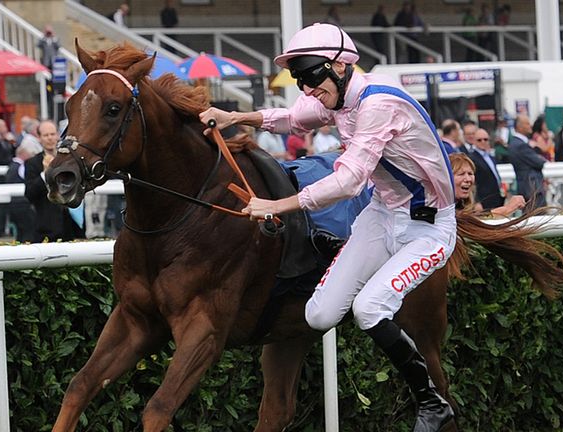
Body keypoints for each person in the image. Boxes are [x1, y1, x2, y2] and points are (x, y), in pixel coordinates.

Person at [199, 23, 457, 431]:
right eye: (299, 79)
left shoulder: (377, 104)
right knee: (318, 315)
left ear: (339, 66)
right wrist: (234, 115)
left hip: (429, 230)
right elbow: (291, 118)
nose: (306, 88)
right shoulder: (338, 96)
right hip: (381, 216)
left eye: (310, 76)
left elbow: (349, 181)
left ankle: (432, 403)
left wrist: (277, 206)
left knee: (368, 308)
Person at [25, 120, 85, 242]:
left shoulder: (70, 160)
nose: (50, 138)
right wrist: (45, 174)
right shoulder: (32, 163)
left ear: (58, 135)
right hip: (46, 229)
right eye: (46, 135)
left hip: (72, 227)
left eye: (52, 134)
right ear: (39, 138)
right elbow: (30, 194)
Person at [450, 152, 525, 216]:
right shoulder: (444, 210)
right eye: (461, 174)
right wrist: (507, 208)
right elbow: (475, 221)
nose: (468, 179)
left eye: (470, 174)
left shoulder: (463, 204)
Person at [509, 114, 547, 210]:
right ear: (519, 127)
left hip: (527, 189)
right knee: (537, 217)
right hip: (531, 189)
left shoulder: (517, 143)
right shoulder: (520, 145)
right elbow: (539, 162)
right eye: (527, 123)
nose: (530, 126)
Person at [5, 145, 37, 242]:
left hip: (14, 203)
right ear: (24, 154)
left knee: (21, 231)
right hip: (22, 204)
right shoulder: (21, 167)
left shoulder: (12, 166)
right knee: (28, 231)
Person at [468, 127, 505, 210]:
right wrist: (476, 201)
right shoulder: (472, 158)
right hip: (483, 201)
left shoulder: (491, 157)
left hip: (496, 198)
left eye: (485, 139)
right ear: (474, 141)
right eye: (479, 140)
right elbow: (472, 182)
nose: (483, 142)